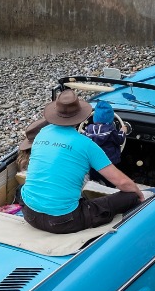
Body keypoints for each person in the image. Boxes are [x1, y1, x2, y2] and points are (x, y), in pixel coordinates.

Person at [19, 90, 145, 235]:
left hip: (29, 213)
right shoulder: (87, 145)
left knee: (25, 187)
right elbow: (121, 182)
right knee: (131, 196)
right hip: (64, 221)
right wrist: (138, 193)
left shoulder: (43, 132)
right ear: (80, 117)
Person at [82, 102, 127, 185]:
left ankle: (94, 185)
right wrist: (122, 131)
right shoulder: (111, 130)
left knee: (94, 177)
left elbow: (83, 140)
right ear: (111, 118)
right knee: (110, 181)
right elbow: (120, 140)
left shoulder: (89, 129)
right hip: (109, 162)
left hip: (93, 162)